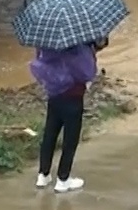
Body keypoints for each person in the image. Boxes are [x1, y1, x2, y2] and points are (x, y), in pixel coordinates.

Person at [30, 37, 103, 193]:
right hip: (72, 96)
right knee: (70, 139)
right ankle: (63, 179)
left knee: (50, 133)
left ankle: (43, 175)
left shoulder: (46, 41)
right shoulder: (76, 44)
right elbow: (86, 72)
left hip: (54, 94)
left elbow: (40, 62)